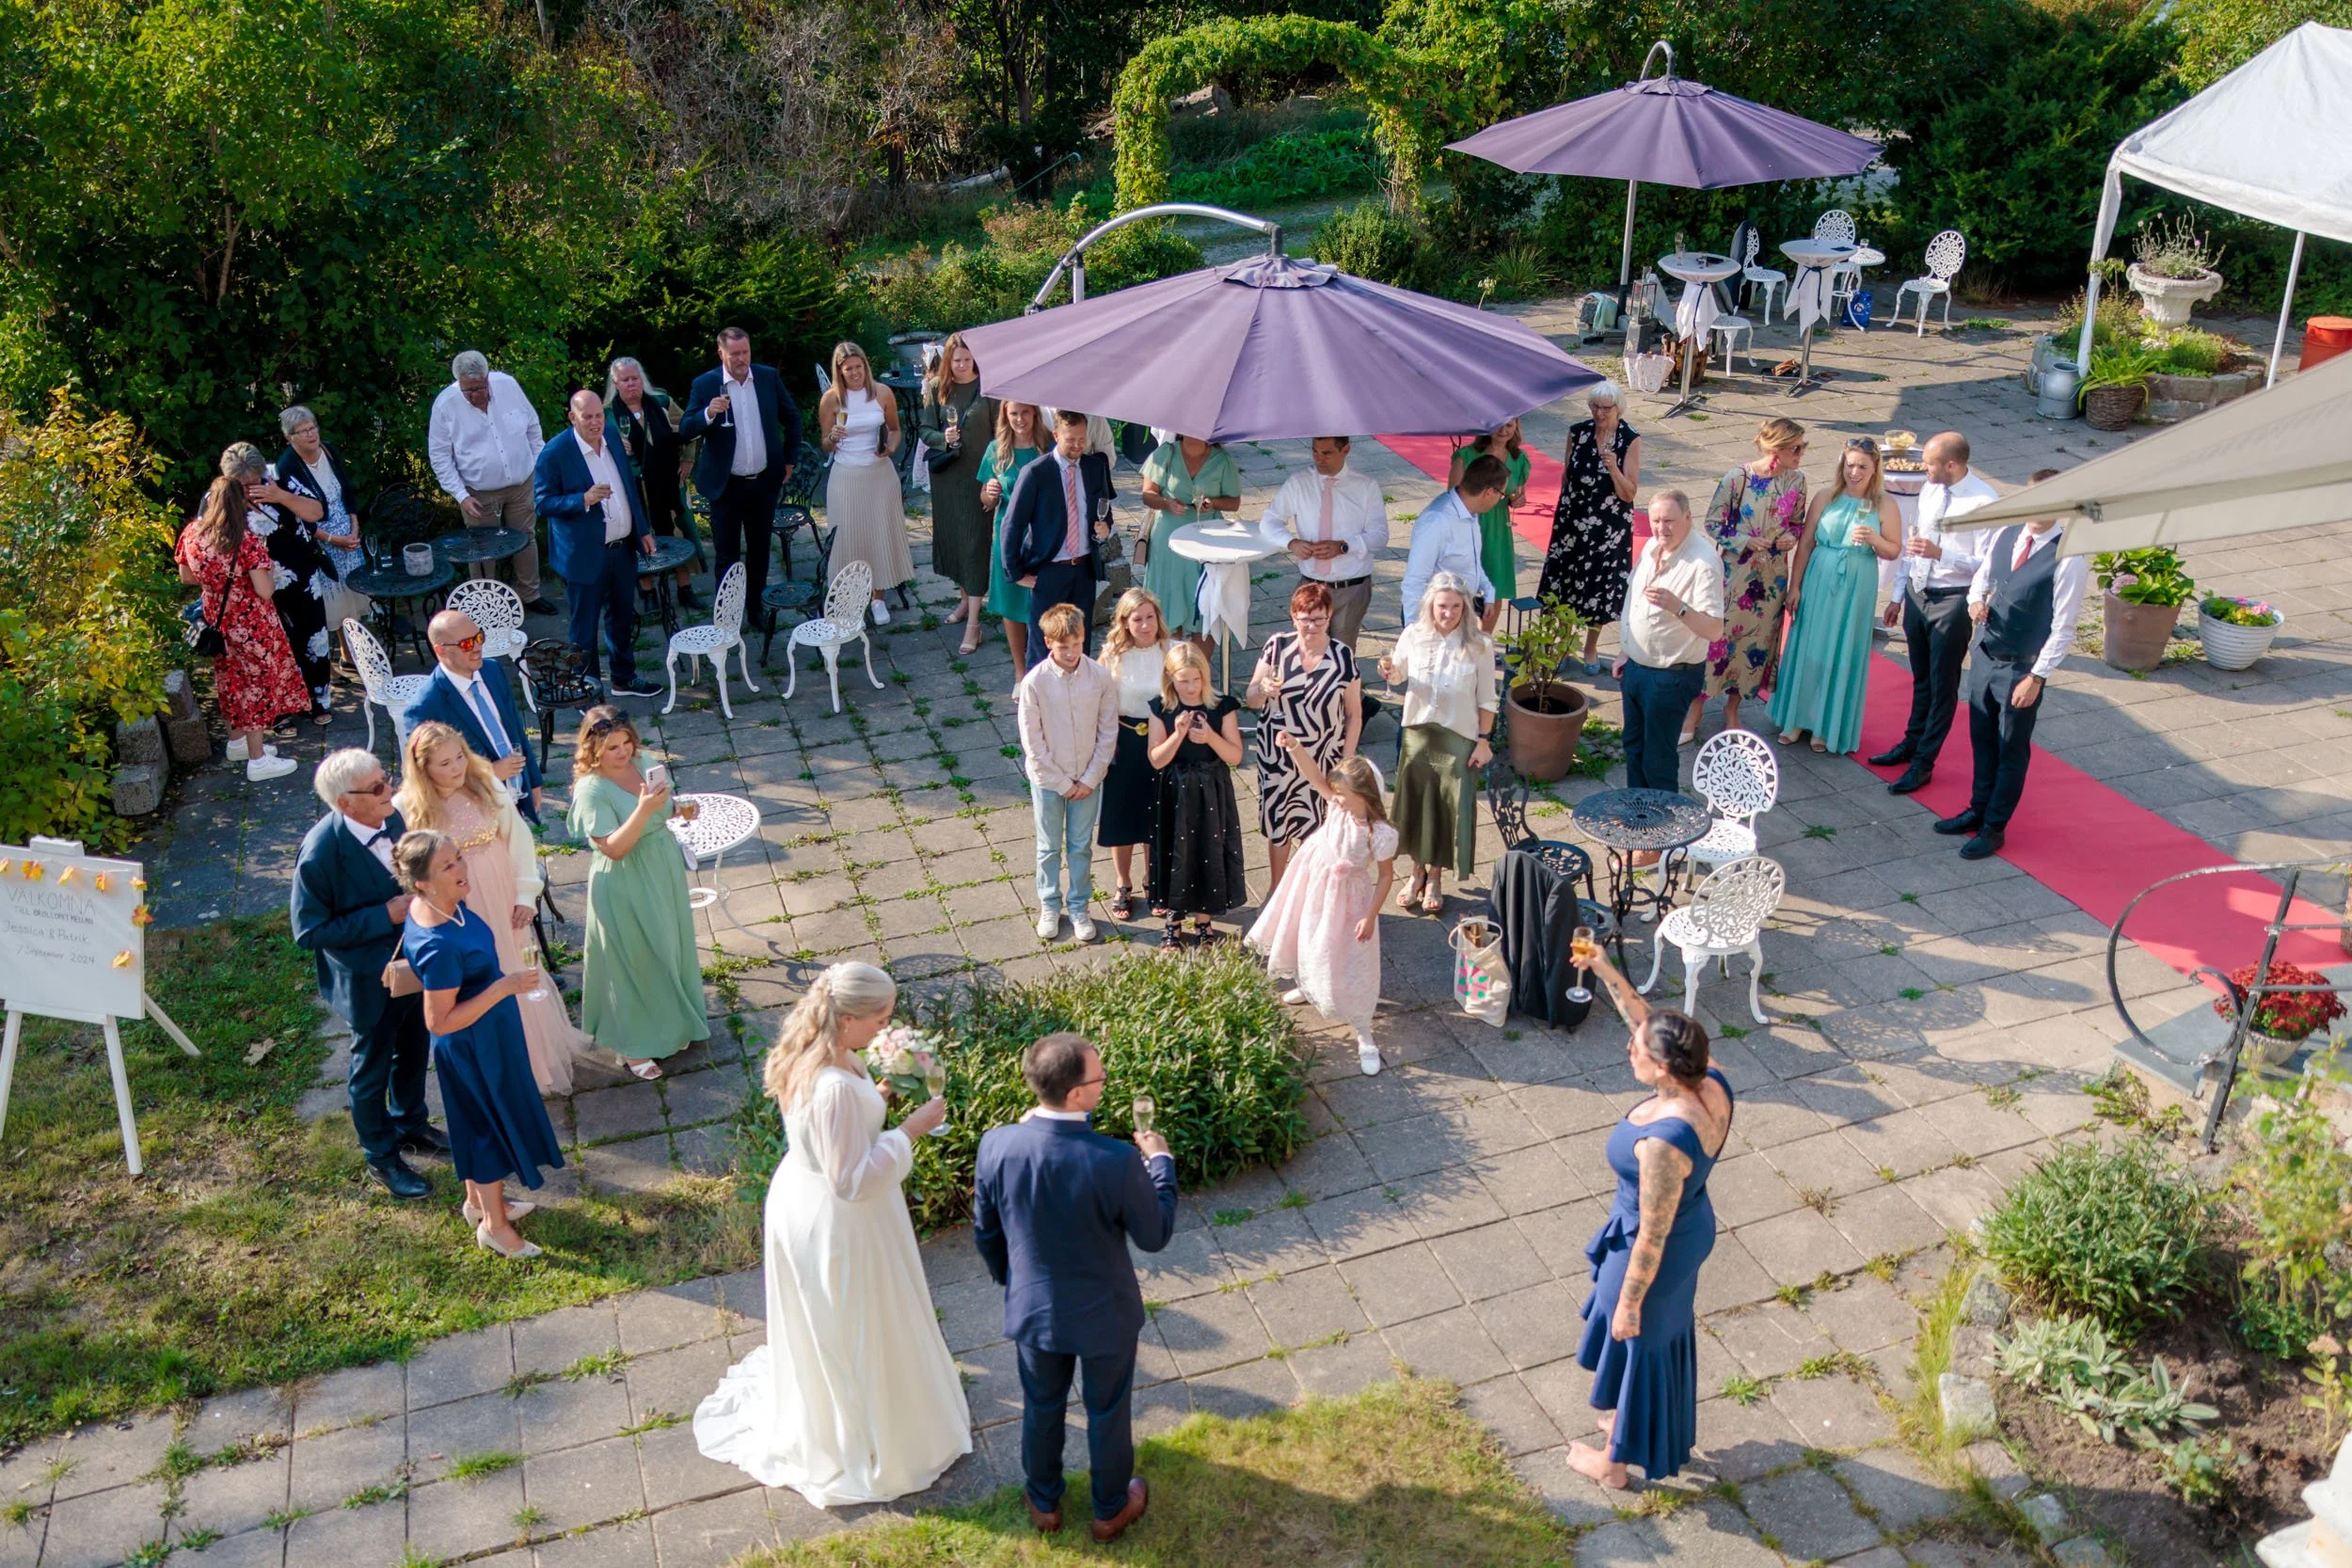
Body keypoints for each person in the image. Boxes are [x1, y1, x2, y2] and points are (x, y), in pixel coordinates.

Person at [695, 962, 970, 1504]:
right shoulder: (833, 1086)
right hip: (837, 1219)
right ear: (846, 1018)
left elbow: (838, 1131)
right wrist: (910, 1130)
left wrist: (884, 1088)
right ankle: (869, 1433)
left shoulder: (816, 1049)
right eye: (881, 1018)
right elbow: (853, 1180)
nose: (887, 1026)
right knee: (859, 1318)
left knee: (848, 1316)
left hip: (804, 1193)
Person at [973, 1032, 1176, 1544]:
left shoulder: (997, 1144)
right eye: (1100, 1078)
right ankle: (1109, 1510)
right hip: (1104, 1312)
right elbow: (1155, 1236)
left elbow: (986, 1230)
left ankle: (1043, 1502)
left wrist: (1012, 1281)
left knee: (1042, 1404)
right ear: (1077, 1094)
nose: (1105, 1084)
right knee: (1108, 1410)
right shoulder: (1116, 1160)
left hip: (1035, 1309)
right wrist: (1161, 1164)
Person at [1564, 934, 1733, 1490]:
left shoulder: (1663, 1144)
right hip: (1693, 1227)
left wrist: (1630, 1302)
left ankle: (1613, 1465)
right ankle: (1627, 1425)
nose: (1628, 1050)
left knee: (1636, 1344)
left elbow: (1652, 1237)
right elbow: (1646, 1023)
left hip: (1652, 1249)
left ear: (1662, 1069)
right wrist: (1607, 971)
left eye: (1637, 1051)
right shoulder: (1713, 1080)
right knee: (1659, 1341)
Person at [395, 721, 593, 1099]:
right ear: (423, 769)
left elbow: (518, 839)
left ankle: (535, 1060)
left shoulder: (484, 780)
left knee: (518, 964)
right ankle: (501, 1067)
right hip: (460, 901)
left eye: (459, 758)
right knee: (483, 976)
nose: (456, 769)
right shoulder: (408, 806)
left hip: (502, 890)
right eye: (444, 764)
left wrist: (524, 896)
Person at [395, 830, 565, 1259]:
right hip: (473, 1045)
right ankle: (495, 1227)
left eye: (458, 858)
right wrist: (504, 988)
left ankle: (477, 1202)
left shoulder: (442, 904)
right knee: (486, 1129)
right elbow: (440, 1020)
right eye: (448, 866)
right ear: (422, 883)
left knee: (475, 1124)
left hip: (489, 1033)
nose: (461, 868)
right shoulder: (439, 944)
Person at [291, 750, 443, 1198]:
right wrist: (384, 915)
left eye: (387, 779)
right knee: (371, 1068)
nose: (390, 790)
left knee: (415, 1047)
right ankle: (381, 1157)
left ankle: (412, 1124)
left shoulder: (392, 819)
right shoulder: (320, 854)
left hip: (409, 964)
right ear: (345, 803)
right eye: (377, 788)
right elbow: (308, 931)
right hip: (367, 982)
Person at [1936, 471, 2090, 861]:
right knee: (1982, 738)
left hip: (2020, 668)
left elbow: (2064, 626)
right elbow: (1980, 579)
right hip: (1986, 655)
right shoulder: (2008, 535)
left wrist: (2037, 676)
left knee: (2010, 747)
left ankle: (1994, 827)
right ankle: (1977, 808)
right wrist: (1975, 602)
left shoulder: (2068, 558)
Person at [567, 706, 710, 1079]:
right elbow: (613, 847)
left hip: (661, 869)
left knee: (668, 948)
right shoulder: (592, 789)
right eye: (612, 747)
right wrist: (645, 812)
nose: (623, 752)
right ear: (593, 749)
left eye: (626, 742)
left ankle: (673, 1025)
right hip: (624, 880)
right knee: (633, 961)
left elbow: (661, 803)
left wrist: (677, 808)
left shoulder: (645, 761)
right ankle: (633, 1047)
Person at [1246, 748, 1395, 1075]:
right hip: (1313, 882)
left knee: (1347, 953)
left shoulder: (1380, 833)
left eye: (1343, 794)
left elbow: (1386, 877)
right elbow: (1314, 776)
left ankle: (1363, 1029)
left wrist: (1370, 915)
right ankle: (1309, 982)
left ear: (1365, 794)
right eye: (1336, 793)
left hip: (1347, 898)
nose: (1336, 799)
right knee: (1307, 935)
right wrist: (1295, 748)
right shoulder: (1336, 806)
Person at [1873, 431, 2004, 794]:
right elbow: (1914, 545)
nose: (1922, 468)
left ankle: (1924, 762)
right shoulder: (1930, 489)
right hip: (1918, 592)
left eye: (1928, 463)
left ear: (1951, 464)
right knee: (1921, 679)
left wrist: (1941, 554)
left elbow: (1987, 565)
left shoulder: (1982, 502)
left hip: (1953, 599)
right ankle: (1911, 742)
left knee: (1943, 685)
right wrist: (1898, 595)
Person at [1767, 439, 1902, 754]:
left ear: (1875, 470)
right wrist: (1795, 586)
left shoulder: (1884, 505)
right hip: (1819, 576)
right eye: (1850, 464)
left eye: (1862, 467)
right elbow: (1805, 544)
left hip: (1857, 583)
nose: (1854, 472)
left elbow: (1894, 550)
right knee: (1810, 645)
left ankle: (1827, 725)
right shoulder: (1825, 497)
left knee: (1842, 649)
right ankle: (1796, 719)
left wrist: (1875, 539)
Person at [175, 476, 309, 780]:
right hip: (252, 625)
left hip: (217, 621)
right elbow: (264, 591)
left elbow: (186, 576)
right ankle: (258, 761)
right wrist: (267, 572)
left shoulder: (192, 534)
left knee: (229, 681)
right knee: (255, 687)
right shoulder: (246, 541)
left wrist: (216, 582)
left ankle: (237, 744)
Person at [532, 388, 660, 698]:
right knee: (584, 629)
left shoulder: (613, 438)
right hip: (584, 556)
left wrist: (642, 529)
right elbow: (542, 503)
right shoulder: (556, 452)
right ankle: (585, 688)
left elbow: (629, 487)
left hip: (621, 549)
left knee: (622, 617)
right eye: (587, 417)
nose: (595, 423)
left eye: (599, 416)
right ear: (572, 417)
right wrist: (582, 500)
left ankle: (623, 678)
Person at [1379, 572, 1495, 914]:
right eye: (1442, 606)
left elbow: (1488, 699)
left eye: (1456, 606)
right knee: (1416, 807)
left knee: (1447, 809)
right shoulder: (1413, 635)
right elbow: (1398, 674)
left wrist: (1484, 741)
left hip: (1458, 736)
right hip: (1417, 734)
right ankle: (1416, 873)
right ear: (1431, 604)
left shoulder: (1480, 645)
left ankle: (1435, 877)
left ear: (1465, 607)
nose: (1448, 613)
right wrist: (1388, 672)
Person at [1243, 581, 1362, 893]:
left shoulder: (1342, 656)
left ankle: (1312, 892)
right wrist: (1262, 689)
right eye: (1305, 618)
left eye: (1319, 619)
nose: (1311, 626)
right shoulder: (1277, 647)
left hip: (1324, 757)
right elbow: (1251, 698)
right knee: (1279, 823)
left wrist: (1346, 760)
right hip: (1278, 756)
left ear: (1330, 616)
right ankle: (1276, 889)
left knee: (1320, 827)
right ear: (1293, 616)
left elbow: (1354, 714)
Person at [1694, 419, 1808, 740]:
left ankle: (1733, 707)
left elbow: (1798, 524)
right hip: (1736, 576)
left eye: (1803, 447)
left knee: (1755, 645)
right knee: (1719, 638)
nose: (1801, 453)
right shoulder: (1738, 479)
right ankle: (1697, 706)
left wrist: (1790, 536)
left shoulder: (1797, 482)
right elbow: (1713, 524)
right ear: (1776, 449)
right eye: (1795, 448)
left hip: (1771, 580)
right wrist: (1744, 540)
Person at [1616, 491, 1726, 821]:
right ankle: (1639, 817)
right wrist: (1625, 649)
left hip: (1671, 675)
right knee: (1633, 747)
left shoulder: (1703, 564)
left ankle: (1662, 831)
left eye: (1669, 521)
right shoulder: (1653, 546)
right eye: (1656, 521)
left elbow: (1714, 630)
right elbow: (1634, 600)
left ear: (1688, 518)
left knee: (1658, 759)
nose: (1661, 528)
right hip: (1637, 667)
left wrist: (1677, 606)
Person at [677, 326, 800, 608]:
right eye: (735, 354)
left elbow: (792, 418)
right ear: (721, 353)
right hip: (726, 485)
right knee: (726, 554)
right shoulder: (705, 384)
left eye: (745, 352)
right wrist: (708, 413)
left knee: (759, 551)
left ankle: (756, 606)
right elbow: (685, 429)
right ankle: (727, 612)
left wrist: (789, 459)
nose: (742, 359)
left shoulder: (767, 377)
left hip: (763, 482)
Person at [1018, 604, 1118, 945]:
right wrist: (1062, 782)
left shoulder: (1100, 677)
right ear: (1048, 642)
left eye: (1077, 644)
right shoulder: (1035, 683)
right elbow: (1033, 743)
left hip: (1088, 780)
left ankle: (1079, 907)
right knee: (1048, 847)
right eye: (1064, 647)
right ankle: (1049, 905)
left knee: (1080, 846)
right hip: (1048, 781)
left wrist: (1090, 778)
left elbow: (1108, 732)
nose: (1072, 653)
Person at [221, 441, 339, 726]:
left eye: (254, 481)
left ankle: (317, 699)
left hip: (300, 574)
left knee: (313, 637)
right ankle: (279, 711)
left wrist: (279, 496)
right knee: (272, 647)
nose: (251, 487)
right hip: (255, 585)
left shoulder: (281, 476)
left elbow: (317, 512)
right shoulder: (221, 494)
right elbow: (209, 533)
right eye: (243, 484)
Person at [427, 351, 553, 613]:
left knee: (526, 538)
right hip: (477, 492)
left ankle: (529, 595)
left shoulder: (508, 386)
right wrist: (461, 495)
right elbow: (439, 456)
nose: (473, 395)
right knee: (482, 550)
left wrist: (540, 468)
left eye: (478, 388)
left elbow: (532, 426)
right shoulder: (445, 404)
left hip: (522, 482)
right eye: (467, 390)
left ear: (488, 378)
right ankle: (486, 604)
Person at [400, 609, 543, 822]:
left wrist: (533, 781)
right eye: (466, 644)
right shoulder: (425, 707)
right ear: (441, 651)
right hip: (474, 813)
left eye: (479, 638)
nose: (477, 648)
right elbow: (427, 778)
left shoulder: (492, 670)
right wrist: (489, 774)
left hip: (516, 799)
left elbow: (514, 730)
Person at [1538, 382, 1643, 673]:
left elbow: (1629, 493)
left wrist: (1613, 468)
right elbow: (1566, 476)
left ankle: (1590, 647)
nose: (1599, 413)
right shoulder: (1578, 432)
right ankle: (1558, 644)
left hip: (1608, 529)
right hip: (1572, 522)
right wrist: (1563, 518)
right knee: (1564, 584)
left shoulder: (1629, 439)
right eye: (1594, 407)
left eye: (1606, 409)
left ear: (1618, 409)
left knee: (1599, 586)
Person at [1147, 642, 1246, 946]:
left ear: (1204, 676)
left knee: (1208, 848)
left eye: (1195, 679)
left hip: (1212, 789)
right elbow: (1156, 759)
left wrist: (1210, 737)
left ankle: (1205, 919)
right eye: (1183, 680)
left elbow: (1235, 755)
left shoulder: (1221, 706)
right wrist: (1177, 735)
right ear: (1170, 679)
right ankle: (1173, 921)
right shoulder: (1161, 708)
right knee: (1174, 850)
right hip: (1175, 789)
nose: (1190, 687)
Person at [1002, 408, 1116, 671]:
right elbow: (1013, 524)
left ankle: (1078, 697)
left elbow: (1103, 508)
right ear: (1056, 435)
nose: (1077, 446)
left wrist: (1105, 527)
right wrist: (1016, 572)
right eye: (1070, 440)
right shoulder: (1036, 472)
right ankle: (1039, 702)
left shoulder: (1095, 466)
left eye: (1081, 440)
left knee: (1080, 641)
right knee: (1044, 644)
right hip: (1050, 568)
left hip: (1084, 568)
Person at [1256, 436, 1388, 653]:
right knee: (1307, 652)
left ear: (1346, 450)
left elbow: (1380, 536)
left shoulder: (1365, 486)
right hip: (1311, 585)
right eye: (1315, 452)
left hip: (1351, 586)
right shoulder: (1299, 483)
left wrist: (1344, 546)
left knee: (1341, 655)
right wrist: (1292, 543)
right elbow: (1269, 521)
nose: (1319, 459)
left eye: (1327, 453)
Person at [817, 341, 914, 625]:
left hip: (879, 474)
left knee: (878, 534)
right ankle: (851, 598)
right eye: (849, 369)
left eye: (859, 367)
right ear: (840, 370)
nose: (856, 373)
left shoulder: (882, 393)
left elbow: (895, 430)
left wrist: (891, 448)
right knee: (849, 537)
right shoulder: (831, 399)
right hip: (846, 476)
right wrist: (832, 438)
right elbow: (825, 445)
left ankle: (878, 598)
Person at [918, 334, 998, 654]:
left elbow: (999, 437)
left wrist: (993, 477)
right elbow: (924, 431)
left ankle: (974, 625)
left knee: (975, 546)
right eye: (956, 360)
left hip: (978, 479)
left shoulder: (989, 390)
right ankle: (965, 601)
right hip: (948, 479)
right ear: (948, 361)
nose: (962, 365)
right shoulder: (938, 388)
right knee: (954, 540)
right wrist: (943, 437)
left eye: (967, 359)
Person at [1096, 589, 1169, 922]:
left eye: (1150, 617)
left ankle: (1153, 880)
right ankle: (1123, 883)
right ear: (1124, 622)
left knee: (1157, 815)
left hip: (1162, 741)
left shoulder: (1174, 651)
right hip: (1124, 741)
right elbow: (1099, 700)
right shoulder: (1111, 655)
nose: (1145, 625)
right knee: (1123, 815)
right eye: (1137, 619)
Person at [606, 356, 697, 611]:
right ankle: (647, 593)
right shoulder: (608, 414)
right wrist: (613, 445)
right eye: (625, 380)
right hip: (633, 488)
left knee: (678, 533)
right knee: (638, 536)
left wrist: (688, 458)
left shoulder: (661, 402)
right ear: (616, 383)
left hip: (668, 482)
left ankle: (685, 588)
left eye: (635, 378)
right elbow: (595, 449)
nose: (632, 384)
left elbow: (690, 426)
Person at [1137, 435, 1242, 646]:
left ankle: (1200, 675)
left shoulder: (1222, 460)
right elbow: (1147, 494)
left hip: (1207, 540)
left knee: (1205, 614)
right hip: (1168, 543)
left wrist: (1214, 503)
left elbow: (1234, 502)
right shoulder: (1165, 453)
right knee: (1167, 609)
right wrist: (1166, 502)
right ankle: (1169, 673)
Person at [274, 405, 371, 629]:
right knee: (336, 603)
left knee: (355, 596)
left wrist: (354, 528)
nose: (311, 434)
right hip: (321, 541)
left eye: (313, 427)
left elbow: (347, 490)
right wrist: (333, 539)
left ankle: (361, 645)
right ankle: (348, 654)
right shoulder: (287, 467)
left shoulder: (328, 450)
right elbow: (295, 519)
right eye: (303, 431)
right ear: (289, 438)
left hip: (349, 535)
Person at [979, 401, 1047, 673]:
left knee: (1041, 602)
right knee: (1012, 603)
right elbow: (984, 499)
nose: (1020, 419)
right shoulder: (996, 450)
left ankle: (1043, 668)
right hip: (1007, 535)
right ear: (1005, 416)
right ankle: (1021, 672)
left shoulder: (1047, 447)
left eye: (1025, 413)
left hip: (1041, 536)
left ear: (1035, 414)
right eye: (1014, 413)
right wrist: (990, 493)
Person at [1448, 420, 1531, 634]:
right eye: (1499, 425)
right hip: (1469, 525)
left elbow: (1518, 493)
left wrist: (1516, 500)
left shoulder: (1518, 459)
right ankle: (1459, 636)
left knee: (1495, 588)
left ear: (1516, 427)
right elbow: (1451, 498)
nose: (1504, 431)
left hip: (1498, 529)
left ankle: (1484, 641)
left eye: (1510, 426)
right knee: (1462, 587)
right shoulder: (1466, 456)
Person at [1401, 456, 1502, 626]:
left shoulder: (1470, 513)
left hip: (1459, 613)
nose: (1500, 499)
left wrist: (1488, 592)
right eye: (1502, 493)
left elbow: (1471, 563)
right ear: (1489, 492)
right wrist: (1413, 632)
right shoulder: (1438, 520)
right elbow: (1415, 580)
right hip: (1435, 620)